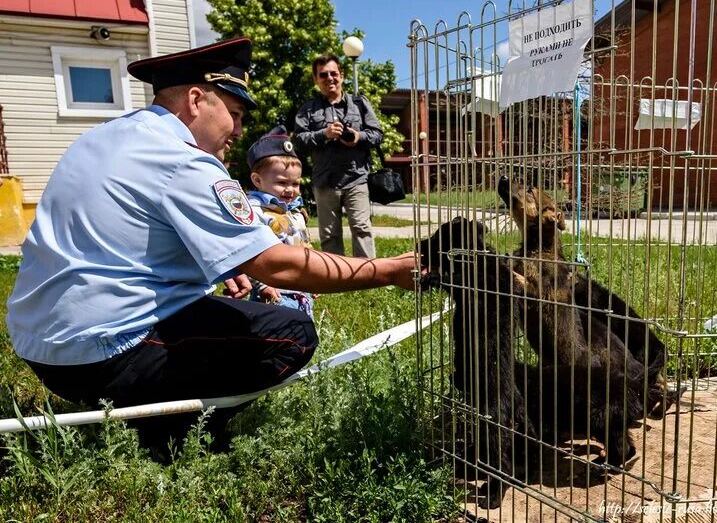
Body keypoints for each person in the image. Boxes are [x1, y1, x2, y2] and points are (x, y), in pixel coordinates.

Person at [5, 38, 416, 458]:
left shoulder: (104, 137)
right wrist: (388, 270)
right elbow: (279, 266)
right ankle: (175, 436)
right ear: (196, 100)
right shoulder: (183, 159)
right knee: (291, 333)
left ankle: (146, 410)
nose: (238, 132)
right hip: (102, 354)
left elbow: (128, 235)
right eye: (234, 114)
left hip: (40, 348)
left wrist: (221, 265)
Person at [294, 53, 382, 259]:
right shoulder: (308, 109)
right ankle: (336, 279)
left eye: (334, 73)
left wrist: (357, 137)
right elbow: (298, 140)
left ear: (342, 76)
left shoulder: (359, 104)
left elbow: (377, 135)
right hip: (325, 180)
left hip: (356, 177)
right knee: (329, 234)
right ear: (316, 80)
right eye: (323, 75)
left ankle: (367, 274)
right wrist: (323, 134)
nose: (329, 78)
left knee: (361, 228)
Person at [245, 125, 315, 319]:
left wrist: (314, 279)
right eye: (282, 183)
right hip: (273, 293)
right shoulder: (255, 212)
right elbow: (247, 252)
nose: (290, 190)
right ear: (257, 180)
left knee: (303, 336)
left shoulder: (295, 210)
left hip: (301, 291)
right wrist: (261, 285)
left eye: (295, 184)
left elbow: (306, 247)